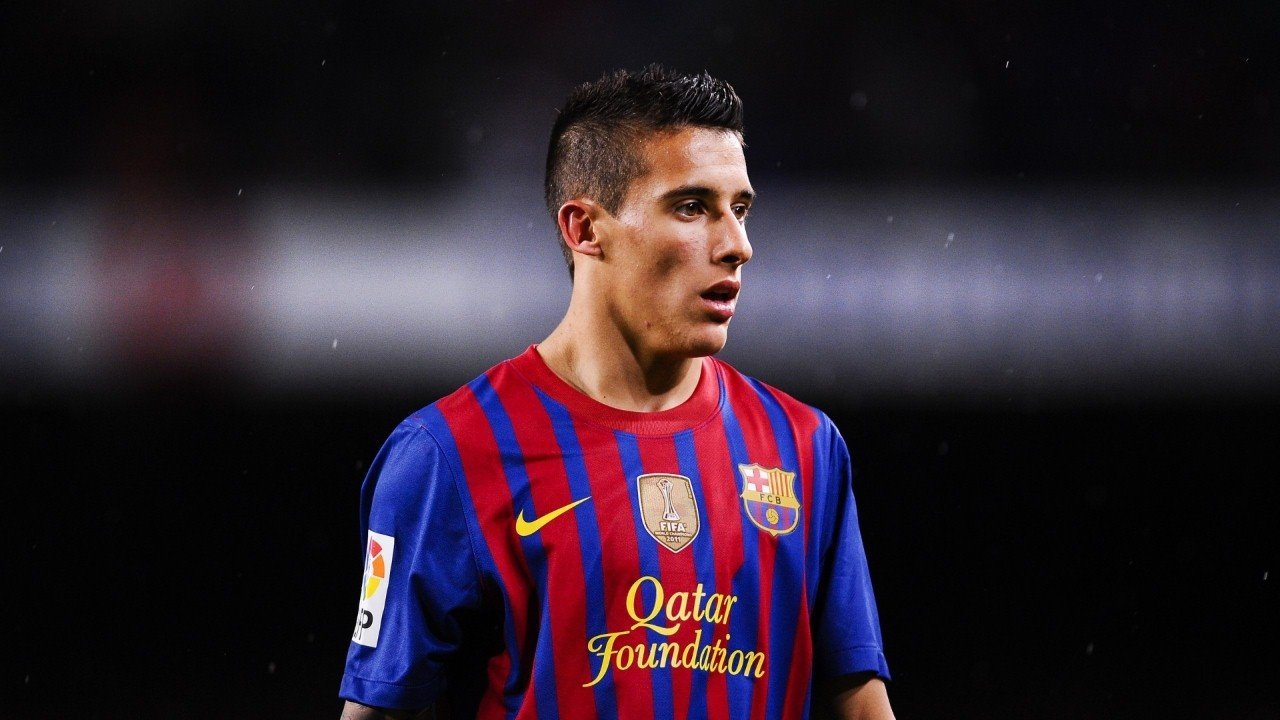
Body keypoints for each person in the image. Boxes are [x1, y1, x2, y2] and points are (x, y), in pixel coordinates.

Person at [339, 65, 894, 720]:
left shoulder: (803, 448)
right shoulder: (447, 455)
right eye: (692, 207)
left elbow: (861, 705)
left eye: (740, 209)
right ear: (584, 229)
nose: (738, 245)